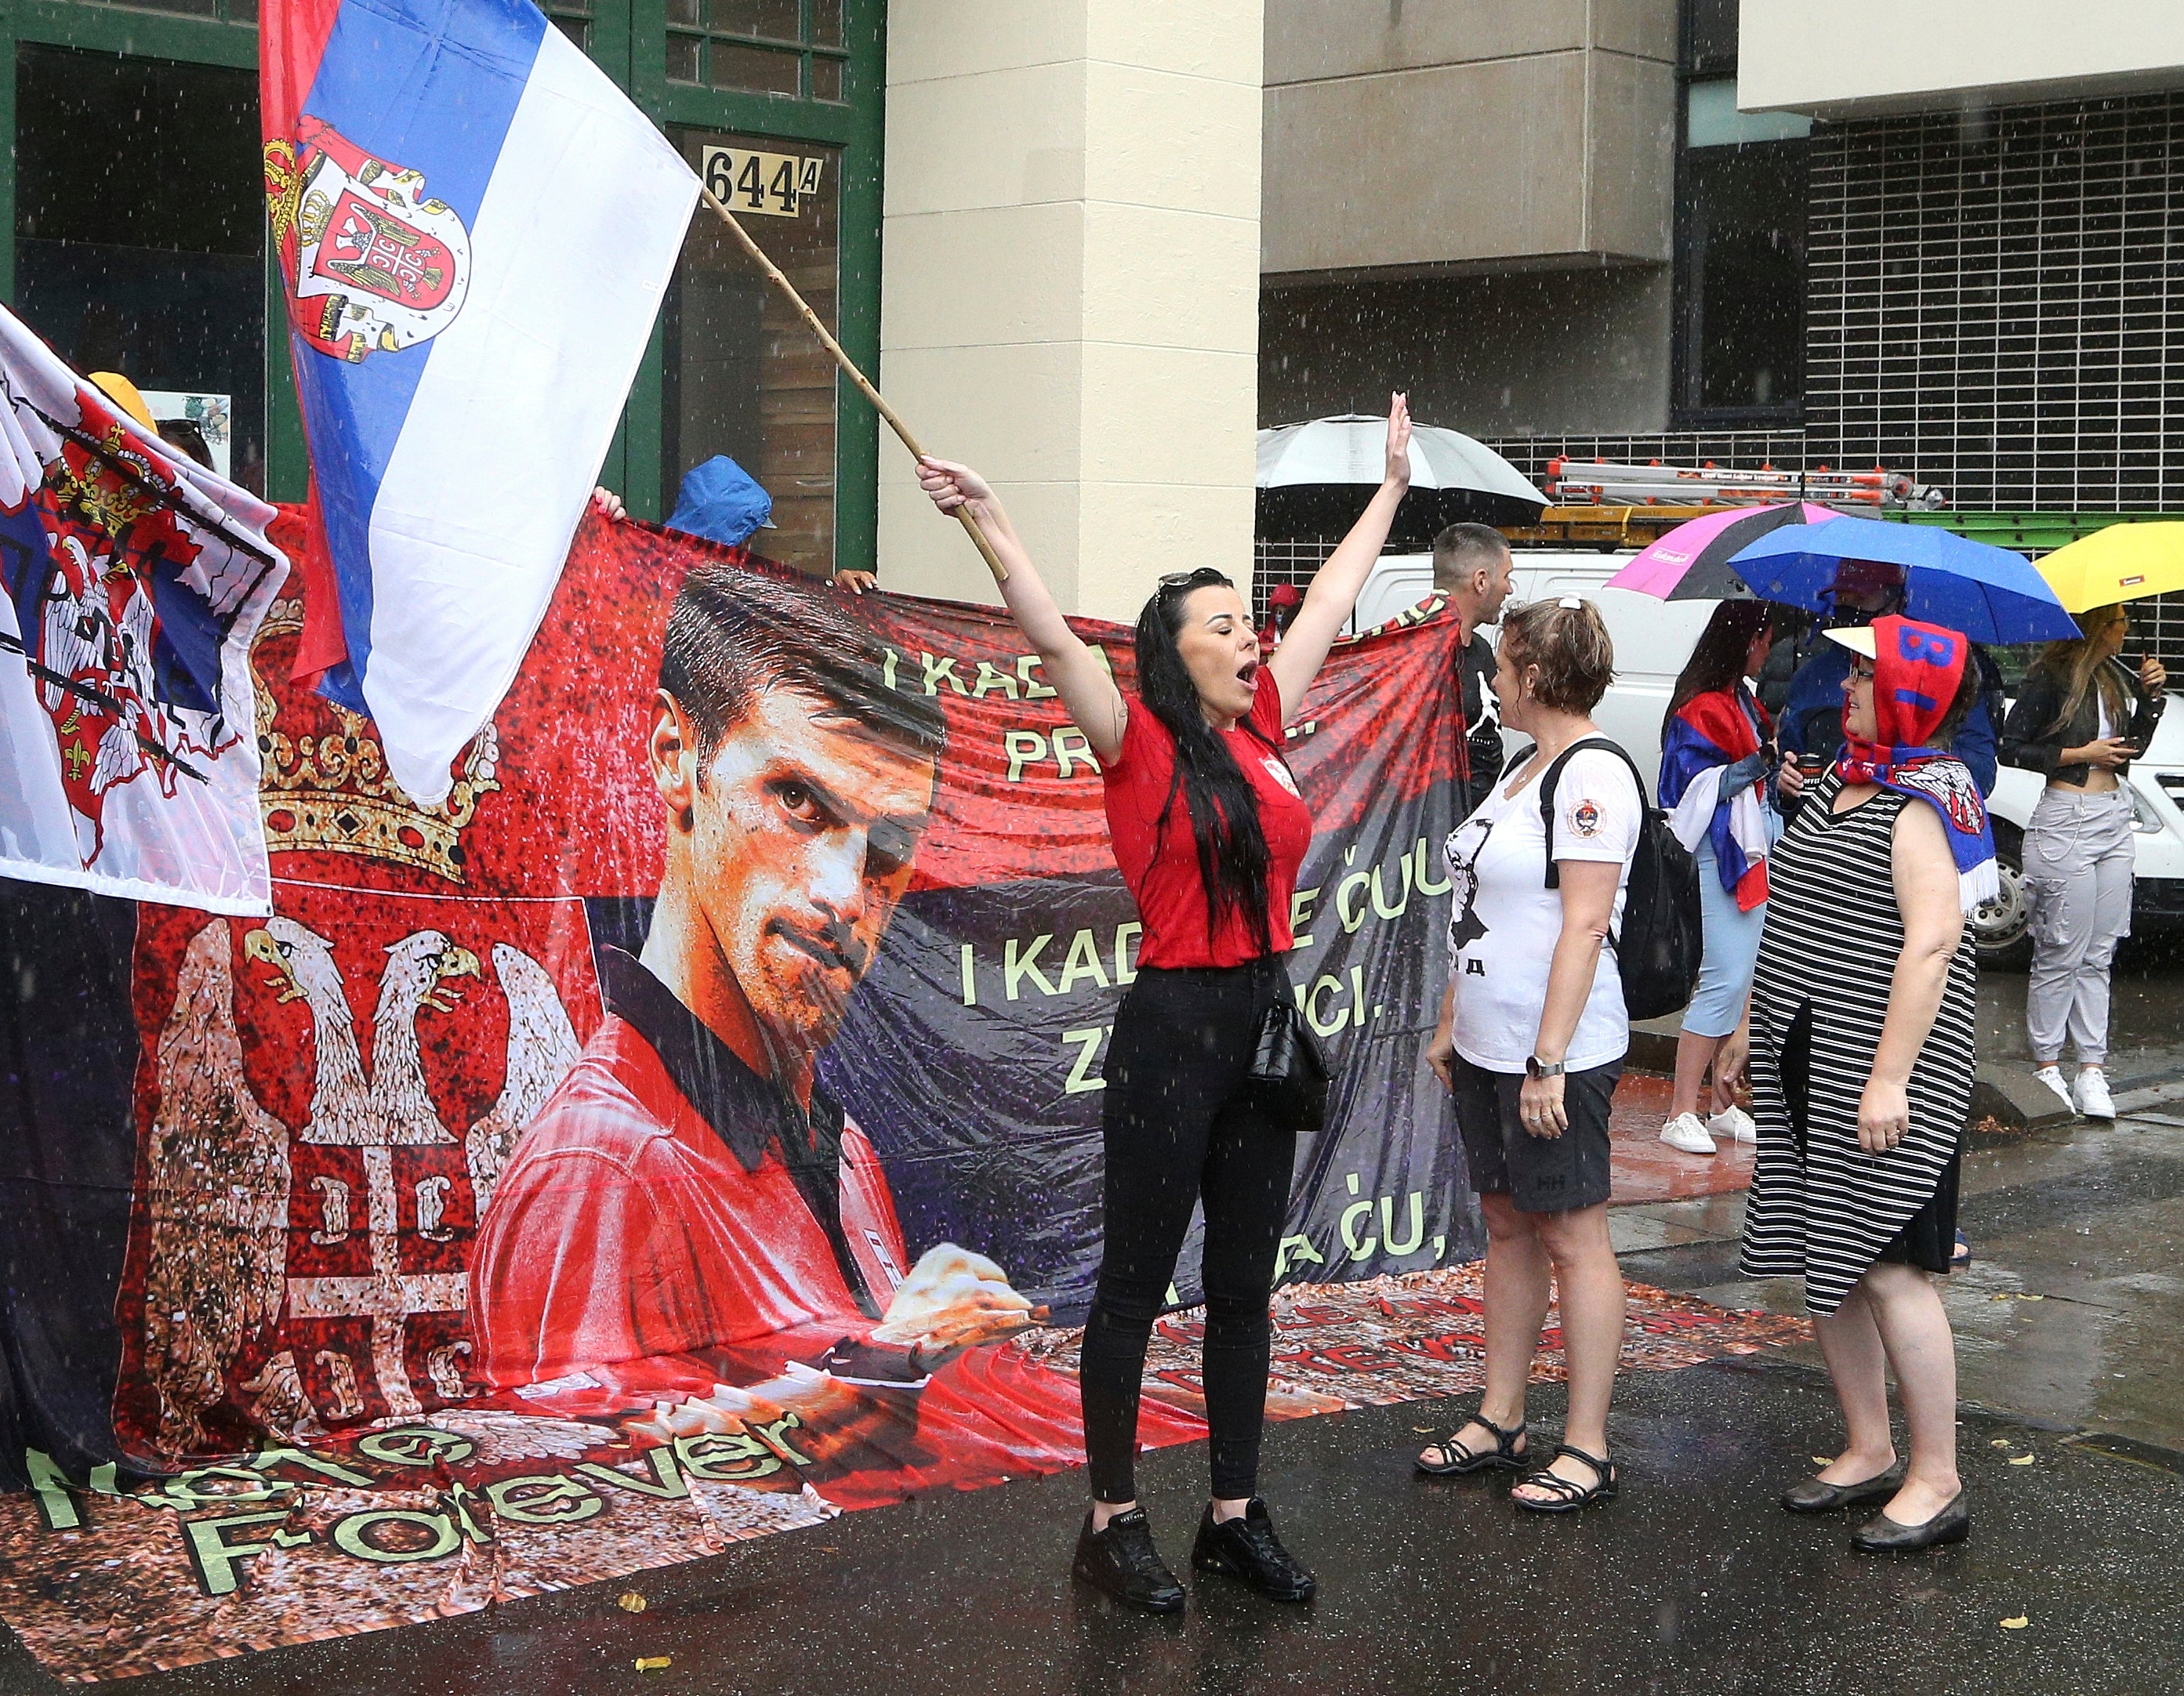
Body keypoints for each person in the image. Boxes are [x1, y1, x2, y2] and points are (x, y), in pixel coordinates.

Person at [914, 394, 1420, 1613]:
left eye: (1251, 622)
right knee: (1134, 1284)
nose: (1252, 638)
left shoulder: (1267, 725)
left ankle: (1231, 1516)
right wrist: (990, 522)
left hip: (1258, 1022)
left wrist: (1391, 489)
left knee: (1245, 1283)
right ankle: (1111, 1518)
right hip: (1168, 1034)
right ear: (1174, 649)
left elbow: (1337, 601)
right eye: (1226, 625)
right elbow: (1044, 635)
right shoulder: (1132, 736)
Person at [467, 566, 1043, 1401]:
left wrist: (923, 1352)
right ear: (676, 758)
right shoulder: (602, 1169)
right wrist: (889, 1357)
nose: (847, 893)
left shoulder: (840, 1150)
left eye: (889, 843)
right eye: (799, 802)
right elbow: (574, 1489)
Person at [1721, 615, 1991, 1554]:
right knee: (1825, 1252)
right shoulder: (1842, 778)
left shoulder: (1927, 799)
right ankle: (1870, 1446)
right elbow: (1790, 916)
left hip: (1885, 1070)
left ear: (1914, 691)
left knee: (1892, 1266)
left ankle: (1937, 1477)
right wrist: (1749, 1028)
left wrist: (1887, 1079)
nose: (1846, 688)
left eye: (1867, 678)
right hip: (1808, 1049)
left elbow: (1931, 943)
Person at [1414, 598, 1636, 1513]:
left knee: (1574, 1236)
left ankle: (1586, 1444)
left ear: (1534, 675)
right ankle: (1500, 1414)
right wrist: (1450, 1018)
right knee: (1506, 1222)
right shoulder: (1519, 767)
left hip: (1557, 1050)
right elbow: (1487, 909)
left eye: (1501, 665)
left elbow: (1584, 921)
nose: (1491, 680)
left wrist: (1548, 1059)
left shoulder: (1590, 774)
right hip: (1487, 1043)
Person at [2000, 603, 2168, 1121]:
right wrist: (2078, 753)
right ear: (2097, 626)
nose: (2124, 630)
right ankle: (2048, 1063)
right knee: (2060, 950)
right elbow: (2012, 747)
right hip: (2065, 817)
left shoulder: (2114, 679)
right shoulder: (2050, 678)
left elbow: (2129, 750)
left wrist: (2150, 700)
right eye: (2116, 622)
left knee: (2100, 950)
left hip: (2112, 816)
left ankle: (2091, 1067)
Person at [1656, 600, 1782, 1155]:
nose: (1769, 648)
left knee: (1739, 977)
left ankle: (1716, 1104)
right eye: (1765, 638)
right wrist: (1761, 763)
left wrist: (1772, 767)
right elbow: (1684, 787)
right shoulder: (1706, 707)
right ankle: (1683, 1107)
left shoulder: (1740, 701)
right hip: (1720, 851)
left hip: (1743, 845)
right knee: (1725, 979)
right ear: (1747, 640)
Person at [1775, 559, 2000, 805]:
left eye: (1858, 600)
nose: (1847, 609)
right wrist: (1786, 790)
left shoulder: (1939, 672)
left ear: (1896, 602)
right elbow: (1786, 763)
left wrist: (1897, 751)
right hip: (1821, 827)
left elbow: (1981, 775)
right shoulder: (1811, 677)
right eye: (1841, 600)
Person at [1433, 523, 1517, 796]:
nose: (1509, 589)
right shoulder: (1424, 658)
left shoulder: (1482, 649)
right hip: (1437, 824)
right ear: (1481, 581)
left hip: (1484, 819)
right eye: (1507, 577)